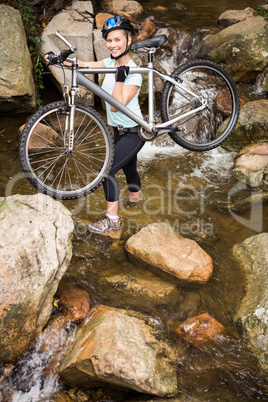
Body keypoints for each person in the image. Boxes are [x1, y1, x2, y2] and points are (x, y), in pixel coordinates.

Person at [46, 16, 145, 234]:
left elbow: (117, 106)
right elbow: (83, 64)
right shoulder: (109, 63)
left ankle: (113, 219)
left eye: (117, 39)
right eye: (109, 40)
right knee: (129, 169)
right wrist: (57, 60)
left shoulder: (134, 71)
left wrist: (120, 78)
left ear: (128, 40)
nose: (112, 45)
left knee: (107, 170)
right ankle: (137, 203)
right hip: (117, 131)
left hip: (135, 132)